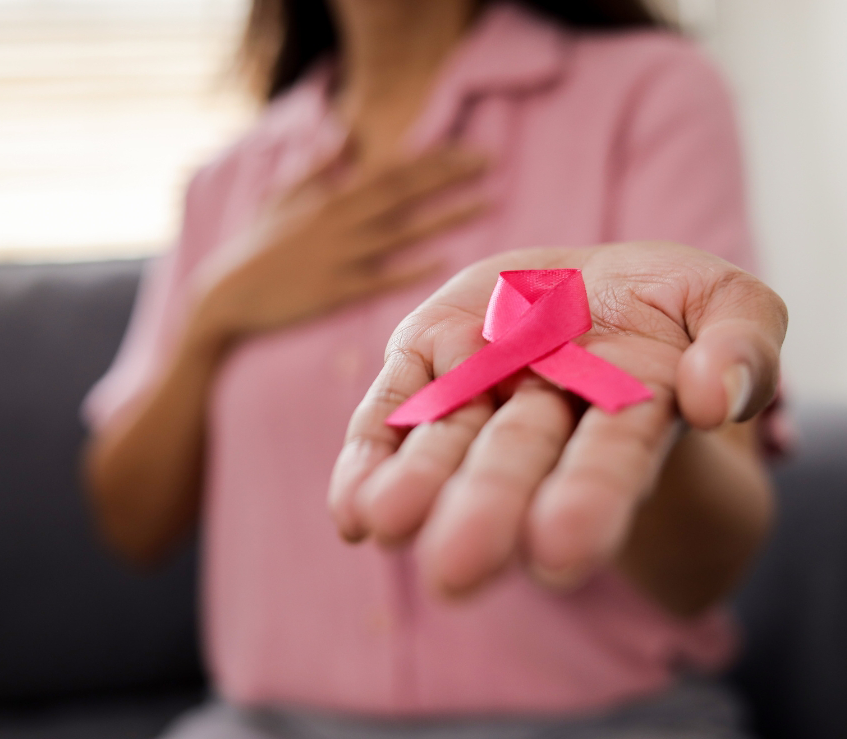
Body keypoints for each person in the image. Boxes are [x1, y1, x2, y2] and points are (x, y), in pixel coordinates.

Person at [82, 1, 784, 736]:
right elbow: (131, 524)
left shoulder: (650, 92)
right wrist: (214, 313)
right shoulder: (227, 182)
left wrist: (645, 419)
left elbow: (708, 570)